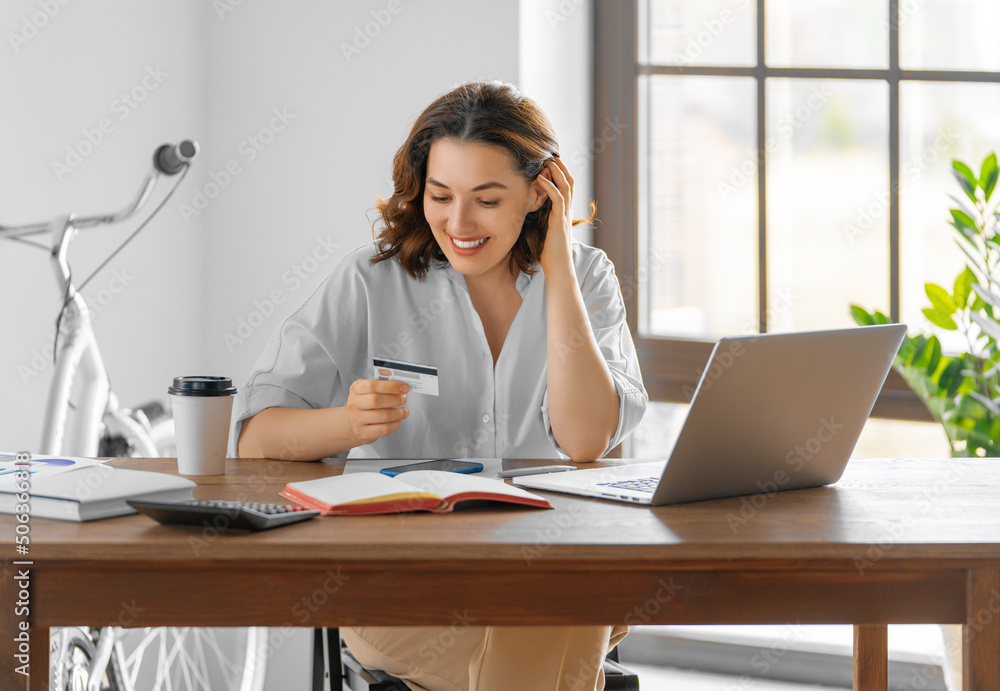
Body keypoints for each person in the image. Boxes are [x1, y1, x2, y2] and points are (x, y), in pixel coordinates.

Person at [232, 80, 647, 691]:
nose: (459, 222)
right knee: (549, 625)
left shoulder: (587, 278)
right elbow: (255, 438)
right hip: (401, 585)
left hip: (550, 566)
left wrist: (558, 264)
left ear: (541, 192)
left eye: (486, 199)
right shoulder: (371, 282)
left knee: (548, 604)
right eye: (440, 195)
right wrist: (345, 425)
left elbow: (586, 440)